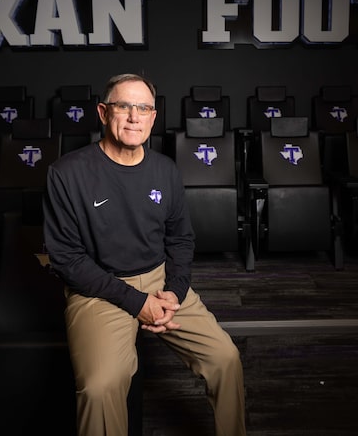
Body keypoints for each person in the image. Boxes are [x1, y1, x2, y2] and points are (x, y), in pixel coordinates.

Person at [43, 73, 247, 436]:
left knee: (225, 357)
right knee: (101, 385)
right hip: (99, 289)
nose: (134, 116)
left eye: (144, 108)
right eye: (124, 106)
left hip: (160, 281)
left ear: (154, 117)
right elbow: (67, 259)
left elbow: (181, 240)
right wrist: (137, 303)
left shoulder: (165, 170)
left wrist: (175, 293)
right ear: (104, 113)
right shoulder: (66, 174)